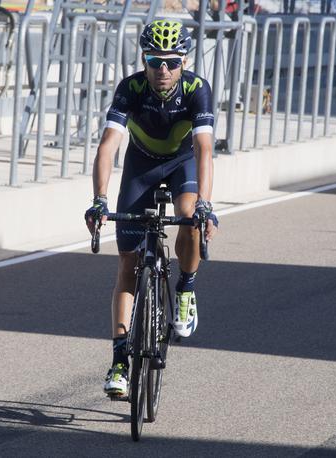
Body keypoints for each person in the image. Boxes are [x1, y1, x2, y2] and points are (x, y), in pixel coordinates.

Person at [84, 20, 219, 397]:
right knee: (127, 265)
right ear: (144, 60)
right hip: (140, 167)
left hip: (182, 164)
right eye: (154, 60)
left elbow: (205, 149)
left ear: (184, 62)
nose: (163, 69)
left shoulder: (196, 89)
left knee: (191, 217)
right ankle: (119, 362)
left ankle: (186, 289)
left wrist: (206, 205)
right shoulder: (131, 88)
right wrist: (99, 198)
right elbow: (109, 144)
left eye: (172, 62)